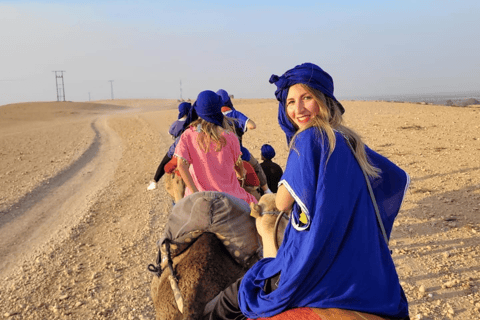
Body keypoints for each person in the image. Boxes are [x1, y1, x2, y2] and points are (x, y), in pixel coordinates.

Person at [205, 63, 410, 319]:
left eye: (307, 98)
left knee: (234, 297)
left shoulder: (307, 139)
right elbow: (397, 178)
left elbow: (281, 204)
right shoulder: (350, 139)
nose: (297, 109)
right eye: (290, 102)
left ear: (323, 100)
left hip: (312, 263)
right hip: (362, 270)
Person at [174, 90, 258, 204]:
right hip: (229, 197)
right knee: (256, 209)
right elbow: (239, 167)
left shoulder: (187, 135)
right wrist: (241, 174)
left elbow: (181, 165)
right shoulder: (231, 136)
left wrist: (195, 194)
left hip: (198, 198)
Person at [217, 89, 273, 195]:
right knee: (256, 166)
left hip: (220, 154)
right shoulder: (235, 114)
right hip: (239, 153)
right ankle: (266, 190)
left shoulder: (215, 116)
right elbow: (252, 126)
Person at [147, 102, 195, 190]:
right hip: (191, 149)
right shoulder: (194, 122)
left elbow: (170, 133)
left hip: (176, 150)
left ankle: (155, 181)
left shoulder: (176, 123)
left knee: (163, 163)